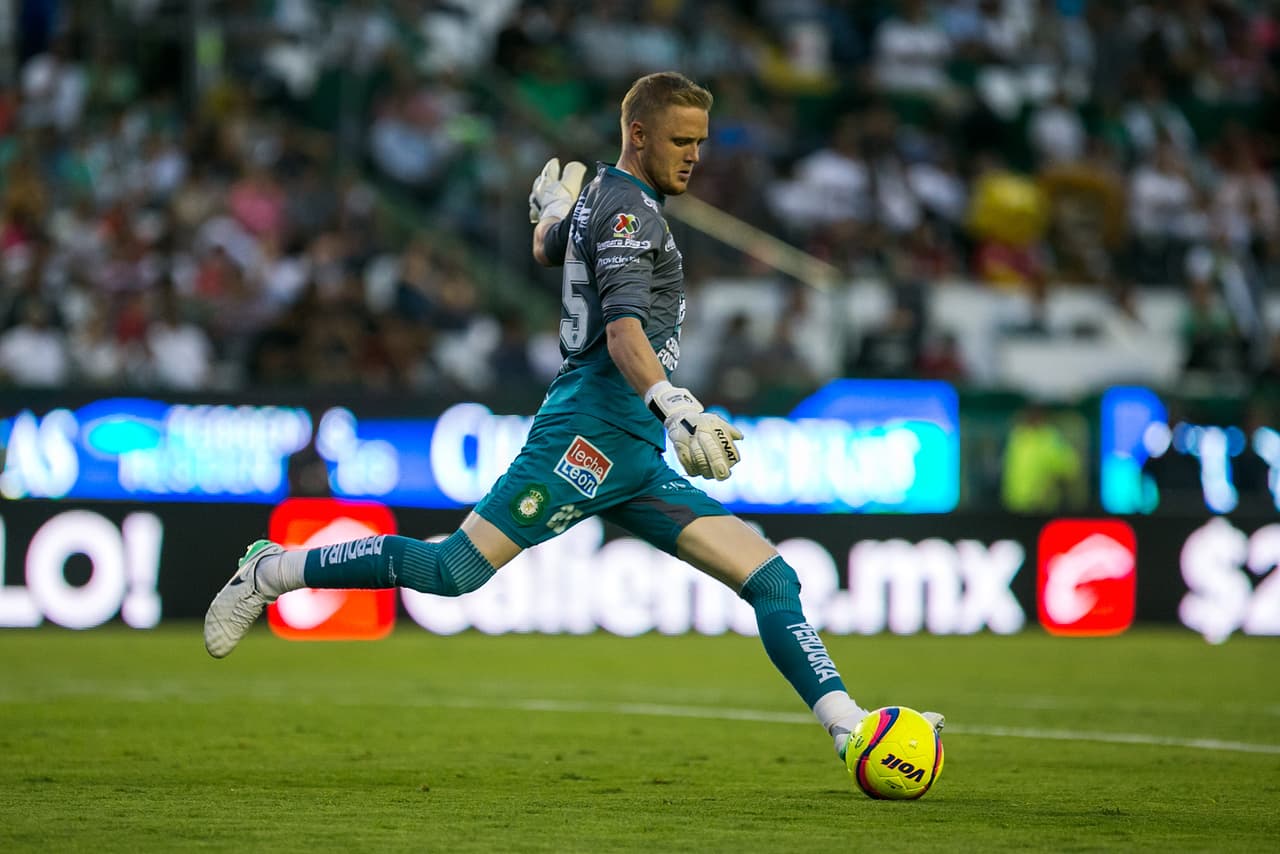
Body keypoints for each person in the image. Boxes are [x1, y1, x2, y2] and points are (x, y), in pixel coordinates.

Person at [204, 71, 942, 764]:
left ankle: (852, 730)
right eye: (681, 141)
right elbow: (623, 334)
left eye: (702, 142)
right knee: (452, 570)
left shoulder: (603, 201)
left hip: (632, 452)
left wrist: (555, 211)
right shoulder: (627, 212)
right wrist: (677, 406)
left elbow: (548, 246)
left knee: (773, 579)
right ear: (639, 133)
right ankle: (271, 570)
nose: (694, 157)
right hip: (586, 435)